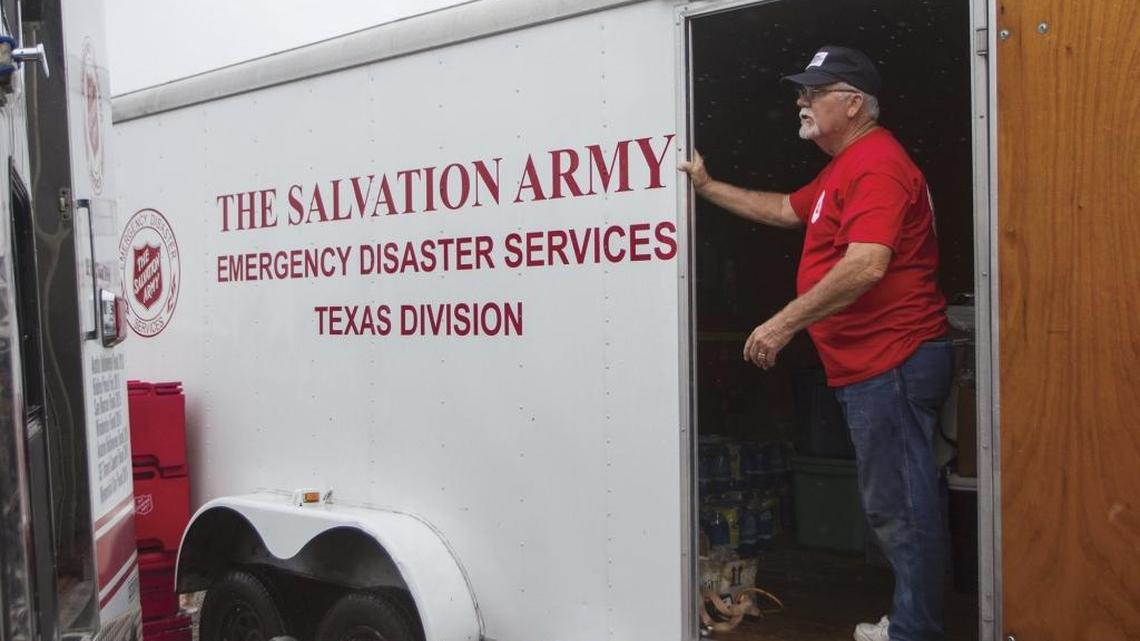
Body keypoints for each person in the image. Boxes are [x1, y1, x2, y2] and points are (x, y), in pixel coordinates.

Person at [679, 46, 953, 641]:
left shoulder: (876, 163)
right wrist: (706, 186)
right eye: (801, 91)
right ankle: (912, 622)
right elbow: (783, 209)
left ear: (852, 103)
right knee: (896, 504)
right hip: (875, 365)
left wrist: (783, 323)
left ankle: (915, 631)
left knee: (901, 507)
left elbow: (867, 264)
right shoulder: (843, 168)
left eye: (814, 91)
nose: (800, 101)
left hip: (893, 360)